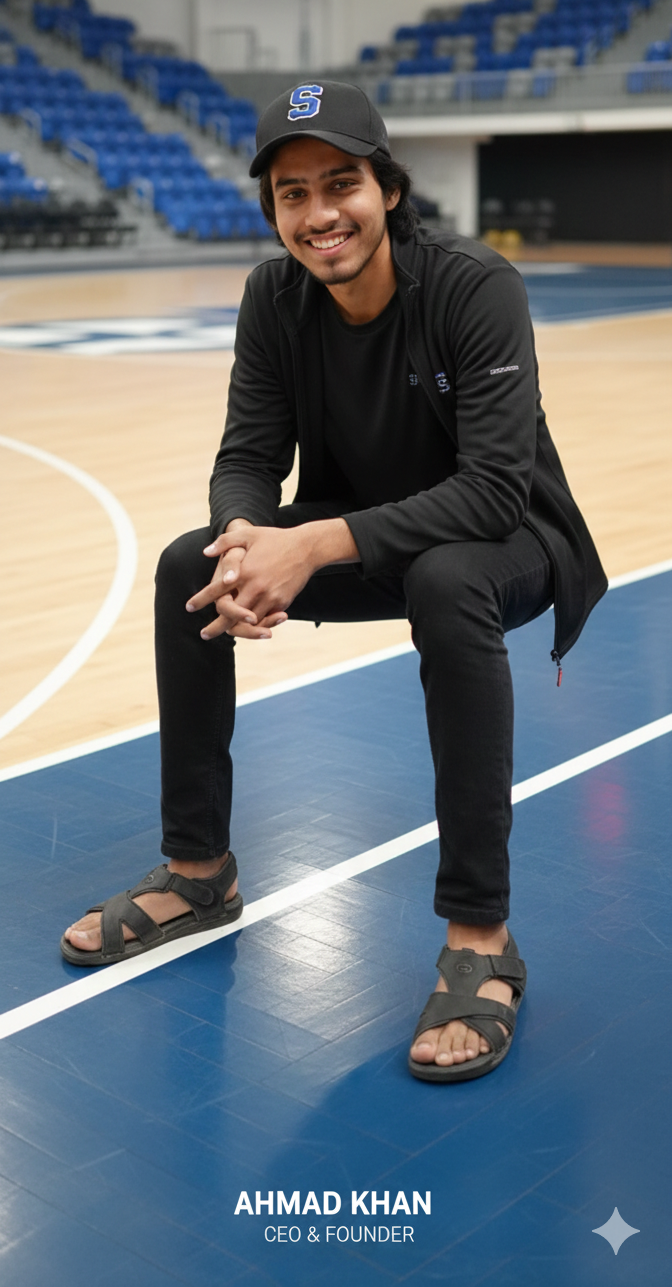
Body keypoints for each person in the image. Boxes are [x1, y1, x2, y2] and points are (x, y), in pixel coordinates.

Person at [61, 81, 607, 1083]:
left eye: (341, 184)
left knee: (447, 580)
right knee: (194, 562)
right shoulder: (275, 298)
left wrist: (308, 548)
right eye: (292, 194)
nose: (319, 215)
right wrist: (247, 541)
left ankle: (481, 939)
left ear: (388, 189)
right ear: (273, 213)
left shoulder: (474, 287)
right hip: (373, 538)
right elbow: (247, 453)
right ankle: (200, 871)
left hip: (510, 538)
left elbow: (490, 493)